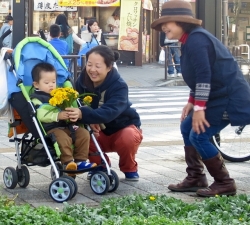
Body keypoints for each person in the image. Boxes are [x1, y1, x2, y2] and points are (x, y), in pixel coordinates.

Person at [151, 0, 250, 197]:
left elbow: (204, 75)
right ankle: (196, 177)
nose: (163, 27)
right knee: (187, 127)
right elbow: (199, 76)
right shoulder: (190, 40)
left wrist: (199, 108)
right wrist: (191, 101)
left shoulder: (197, 40)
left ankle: (224, 182)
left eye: (167, 22)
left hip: (229, 97)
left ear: (181, 22)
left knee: (199, 134)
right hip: (217, 95)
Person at [66, 45, 143, 181]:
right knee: (81, 134)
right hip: (96, 133)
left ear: (109, 67)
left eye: (98, 66)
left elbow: (109, 112)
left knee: (128, 136)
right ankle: (100, 166)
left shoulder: (119, 85)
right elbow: (76, 103)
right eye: (89, 64)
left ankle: (129, 167)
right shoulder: (81, 81)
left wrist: (85, 115)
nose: (92, 70)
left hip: (121, 128)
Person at [30, 62, 97, 174]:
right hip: (50, 129)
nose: (51, 85)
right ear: (36, 84)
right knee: (62, 137)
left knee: (84, 133)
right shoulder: (36, 98)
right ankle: (68, 162)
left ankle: (80, 161)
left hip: (67, 127)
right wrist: (57, 115)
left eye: (54, 82)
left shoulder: (59, 94)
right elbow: (40, 114)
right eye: (46, 82)